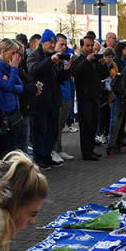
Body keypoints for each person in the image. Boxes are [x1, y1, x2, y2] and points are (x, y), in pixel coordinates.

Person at [27, 29, 69, 170]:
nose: (52, 45)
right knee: (40, 130)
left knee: (52, 130)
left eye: (54, 42)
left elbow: (60, 78)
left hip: (53, 100)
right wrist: (50, 61)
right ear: (42, 42)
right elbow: (35, 71)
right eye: (50, 42)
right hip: (40, 101)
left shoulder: (54, 57)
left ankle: (47, 155)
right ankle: (39, 158)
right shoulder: (34, 56)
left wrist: (66, 70)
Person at [70, 35, 108, 161]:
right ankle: (86, 152)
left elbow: (104, 75)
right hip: (84, 97)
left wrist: (104, 65)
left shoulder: (95, 61)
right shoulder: (78, 60)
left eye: (92, 45)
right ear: (82, 47)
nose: (90, 48)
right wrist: (86, 60)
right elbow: (75, 72)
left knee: (93, 124)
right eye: (87, 45)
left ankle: (91, 149)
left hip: (95, 96)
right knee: (86, 125)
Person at [0, 38, 25, 158]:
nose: (15, 57)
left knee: (12, 145)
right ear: (3, 52)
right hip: (2, 111)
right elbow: (8, 87)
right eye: (12, 53)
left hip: (12, 109)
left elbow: (20, 87)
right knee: (2, 147)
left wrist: (11, 81)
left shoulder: (7, 65)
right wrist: (13, 70)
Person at [53, 33, 75, 162]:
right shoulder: (53, 60)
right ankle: (57, 149)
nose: (64, 47)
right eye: (61, 44)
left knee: (60, 125)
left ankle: (59, 148)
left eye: (66, 45)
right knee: (56, 125)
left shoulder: (67, 58)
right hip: (58, 96)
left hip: (68, 95)